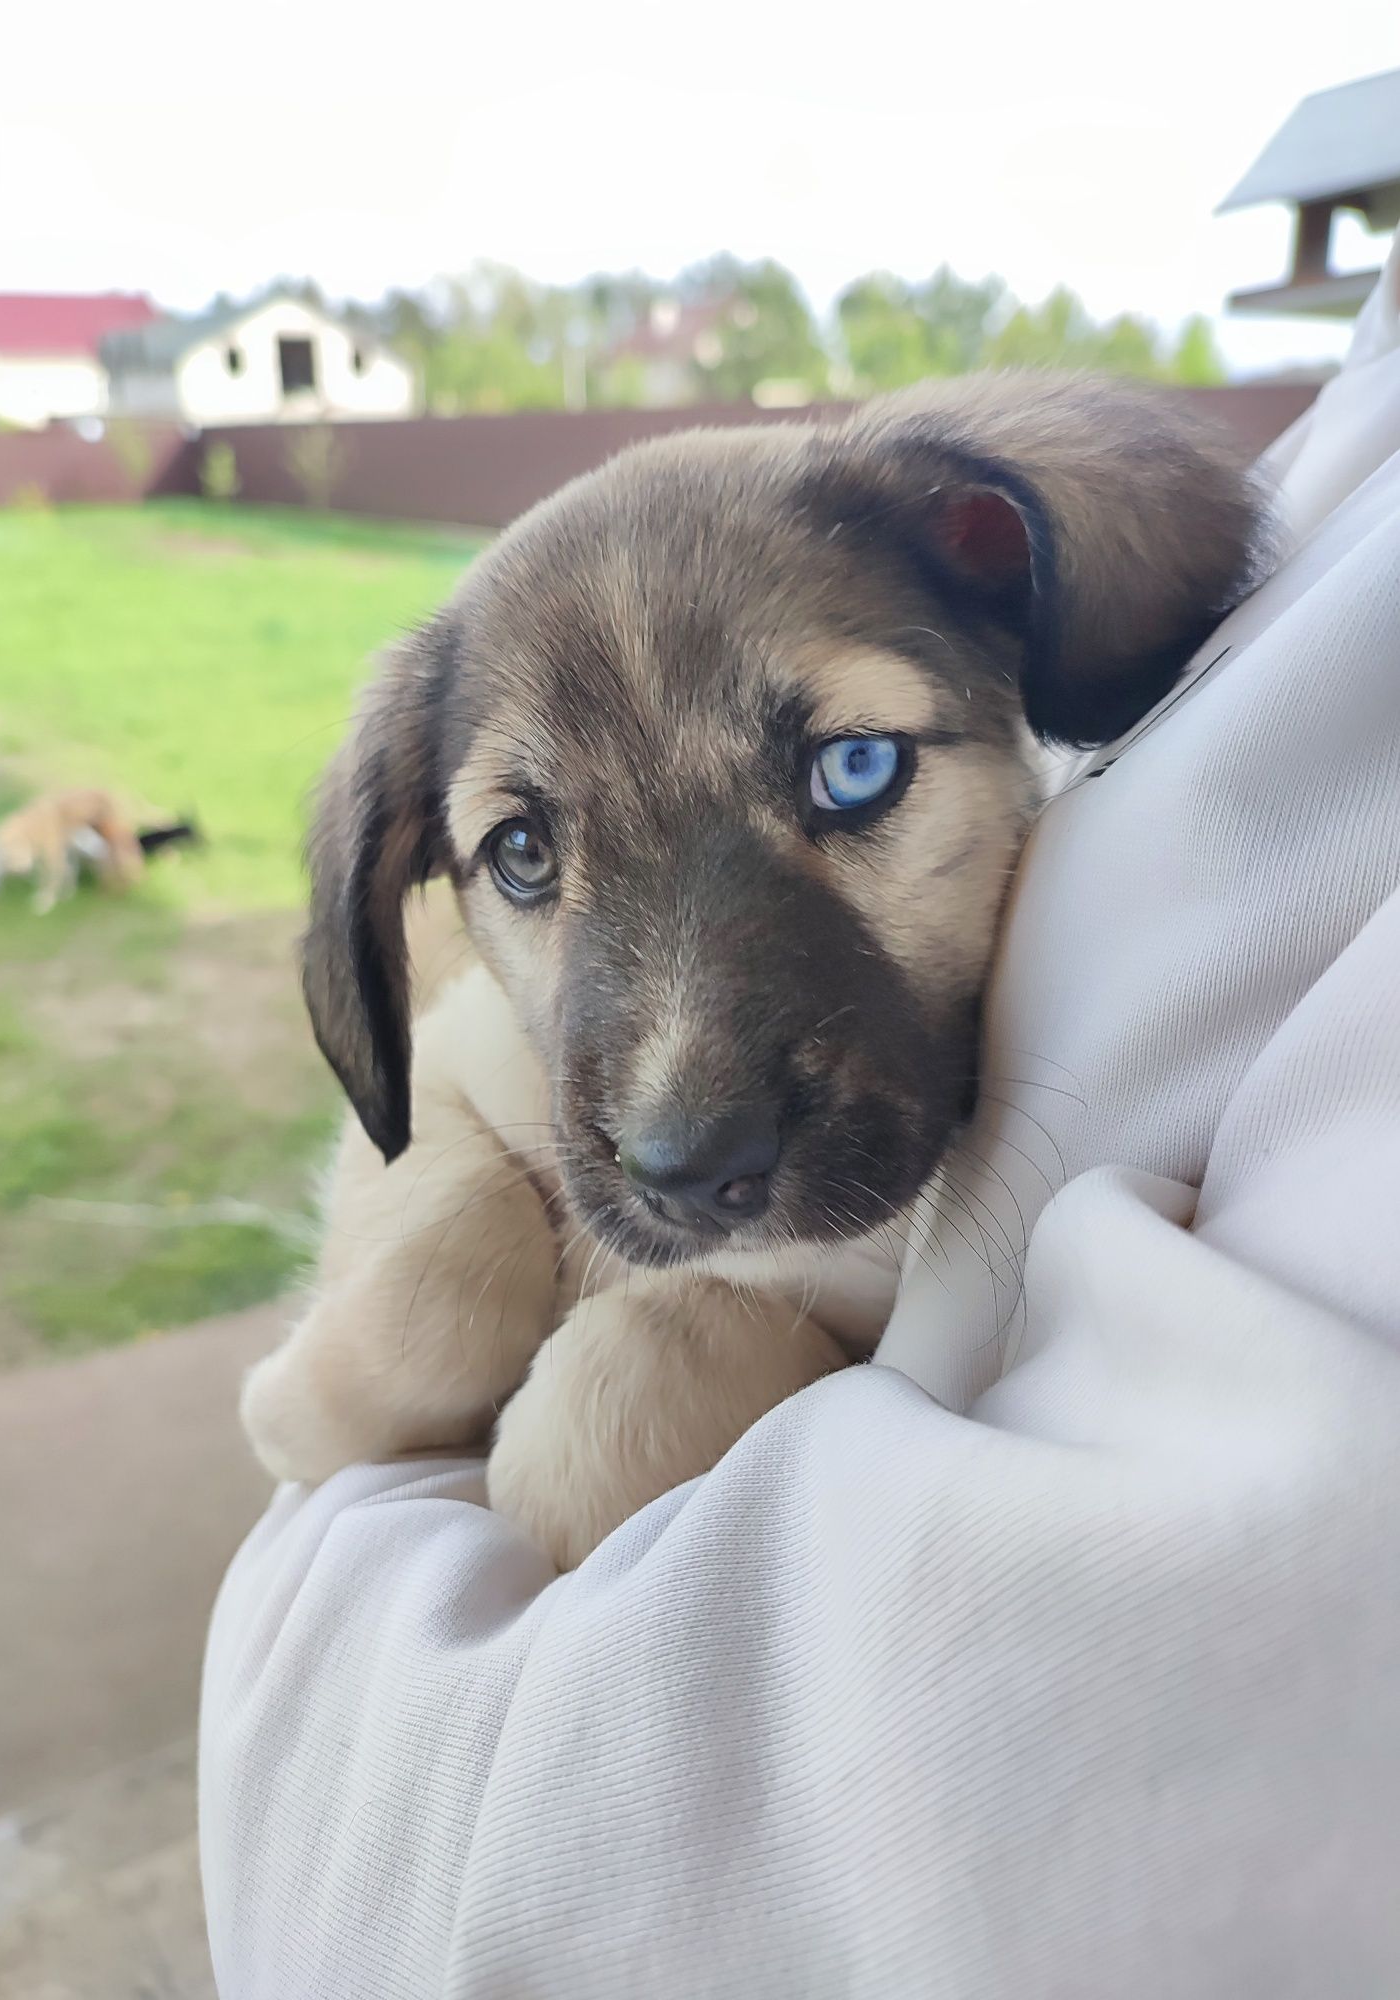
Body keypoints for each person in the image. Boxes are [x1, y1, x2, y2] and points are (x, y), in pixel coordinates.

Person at [199, 236, 1400, 2000]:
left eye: (848, 773)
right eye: (527, 855)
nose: (681, 1106)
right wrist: (415, 1299)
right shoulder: (507, 1053)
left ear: (1015, 604)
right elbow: (449, 1096)